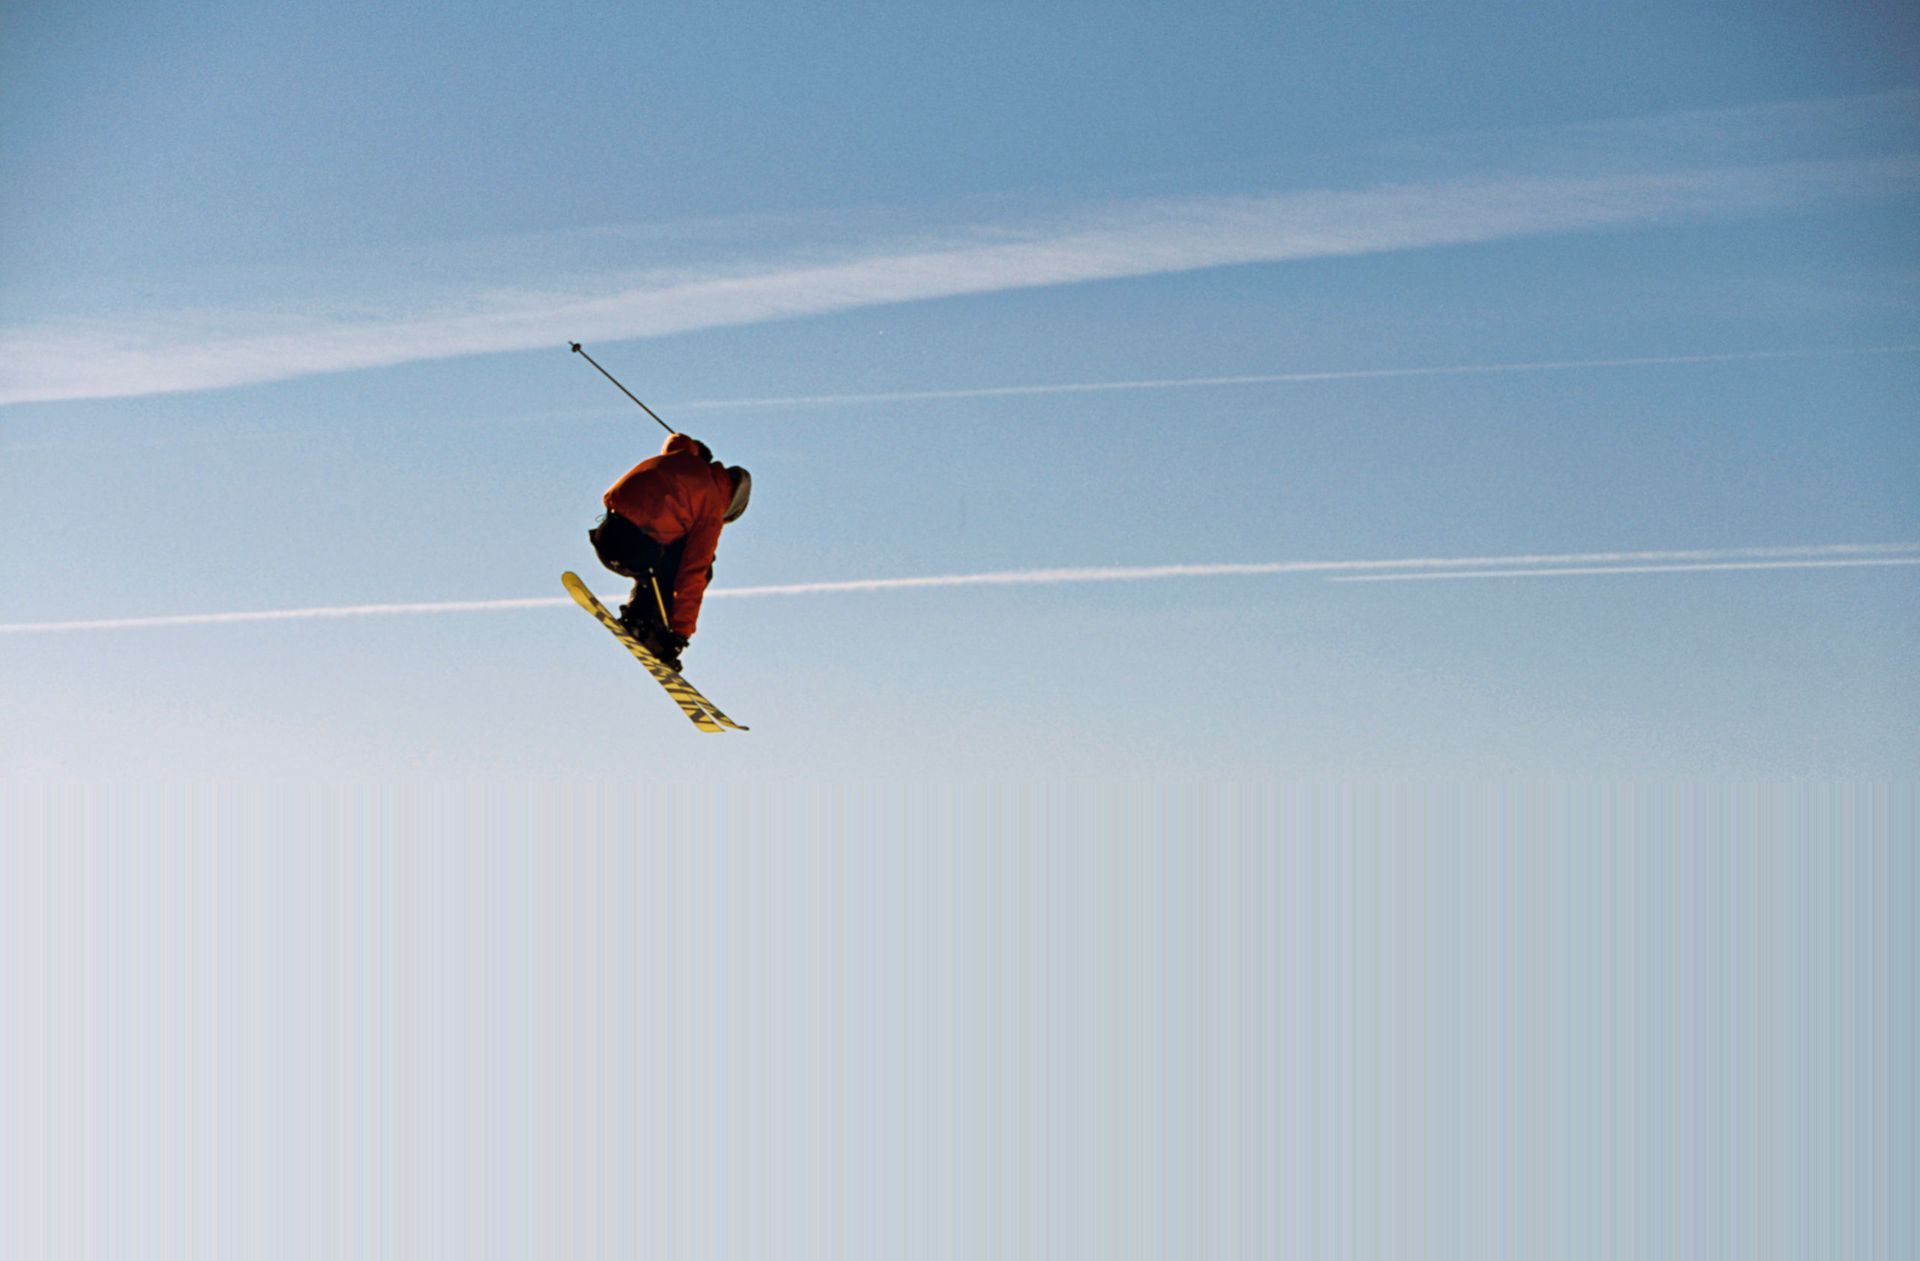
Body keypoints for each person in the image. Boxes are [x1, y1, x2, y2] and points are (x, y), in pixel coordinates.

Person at [589, 433, 750, 671]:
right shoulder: (712, 506)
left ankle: (639, 620)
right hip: (633, 550)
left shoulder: (685, 456)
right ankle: (652, 635)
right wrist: (680, 634)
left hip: (606, 536)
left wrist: (695, 448)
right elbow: (694, 572)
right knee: (688, 566)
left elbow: (676, 441)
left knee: (658, 566)